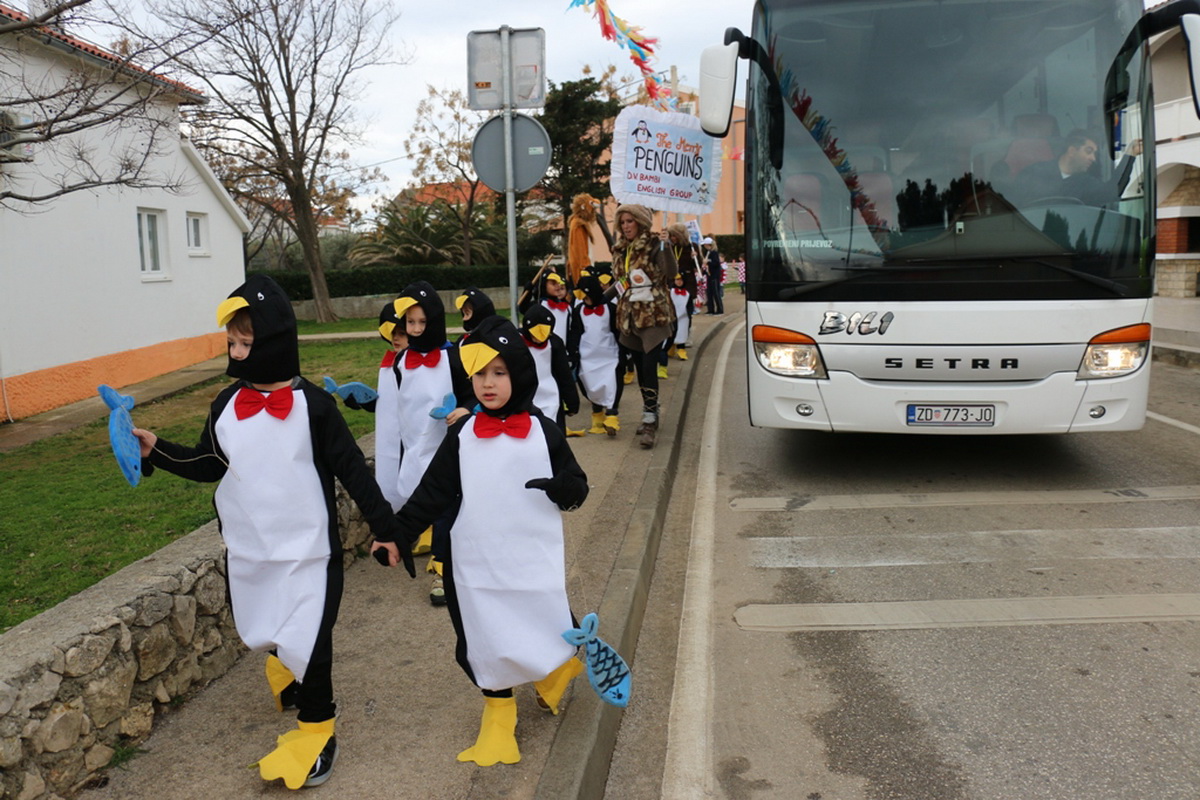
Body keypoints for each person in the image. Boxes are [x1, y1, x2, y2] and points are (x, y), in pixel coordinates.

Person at [131, 274, 416, 791]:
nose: (237, 354)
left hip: (311, 554)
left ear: (275, 341)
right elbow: (207, 463)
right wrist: (158, 449)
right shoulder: (225, 405)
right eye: (232, 343)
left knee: (313, 640)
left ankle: (317, 731)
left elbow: (354, 472)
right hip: (252, 553)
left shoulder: (316, 408)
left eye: (247, 343)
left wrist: (386, 529)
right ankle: (285, 668)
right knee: (265, 627)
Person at [371, 316, 589, 767]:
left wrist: (562, 488)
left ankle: (557, 667)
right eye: (479, 373)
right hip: (474, 562)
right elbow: (431, 493)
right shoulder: (463, 435)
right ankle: (498, 714)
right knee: (483, 635)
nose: (487, 383)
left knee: (538, 619)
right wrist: (396, 535)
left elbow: (577, 486)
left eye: (499, 372)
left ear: (519, 373)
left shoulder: (545, 432)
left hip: (529, 559)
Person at [390, 281, 475, 605]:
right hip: (415, 444)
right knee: (419, 495)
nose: (415, 329)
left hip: (447, 445)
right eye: (410, 322)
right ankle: (427, 538)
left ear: (436, 320)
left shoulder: (455, 357)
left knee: (447, 504)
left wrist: (465, 410)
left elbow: (471, 394)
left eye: (423, 322)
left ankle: (443, 566)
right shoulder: (401, 361)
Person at [610, 203, 677, 448]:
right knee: (639, 367)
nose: (626, 226)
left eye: (630, 221)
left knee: (649, 367)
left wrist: (667, 246)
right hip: (630, 315)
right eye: (623, 222)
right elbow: (622, 282)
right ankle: (651, 409)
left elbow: (670, 272)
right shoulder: (620, 249)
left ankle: (649, 420)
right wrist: (600, 297)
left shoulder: (654, 243)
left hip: (653, 315)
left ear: (640, 222)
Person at [337, 301, 407, 514]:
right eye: (392, 333)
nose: (395, 338)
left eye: (402, 333)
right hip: (389, 444)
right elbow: (388, 404)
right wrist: (364, 401)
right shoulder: (388, 366)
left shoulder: (420, 367)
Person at [1013, 129, 1142, 207]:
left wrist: (1130, 155)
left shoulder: (1086, 182)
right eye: (1088, 151)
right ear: (1072, 151)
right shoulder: (1033, 173)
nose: (1093, 158)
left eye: (1094, 154)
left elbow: (1111, 192)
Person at [568, 274, 623, 436]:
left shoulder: (610, 309)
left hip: (609, 355)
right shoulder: (578, 310)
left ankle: (612, 415)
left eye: (586, 296)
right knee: (590, 384)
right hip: (587, 357)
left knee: (612, 383)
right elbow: (575, 333)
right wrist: (573, 353)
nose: (584, 299)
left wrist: (623, 352)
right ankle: (597, 415)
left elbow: (617, 331)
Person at [520, 303, 579, 432]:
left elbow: (564, 374)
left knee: (554, 430)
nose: (539, 339)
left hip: (550, 394)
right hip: (525, 396)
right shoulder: (517, 342)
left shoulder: (555, 343)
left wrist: (572, 402)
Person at [703, 237, 724, 315]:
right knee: (709, 293)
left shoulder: (714, 253)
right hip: (709, 274)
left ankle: (720, 309)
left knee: (716, 292)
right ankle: (710, 309)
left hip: (714, 275)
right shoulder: (708, 252)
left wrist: (708, 262)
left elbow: (716, 263)